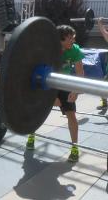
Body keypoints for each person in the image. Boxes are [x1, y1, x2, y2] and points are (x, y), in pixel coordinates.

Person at [25, 25, 84, 163]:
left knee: (71, 115)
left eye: (73, 38)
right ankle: (31, 135)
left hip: (65, 83)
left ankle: (75, 147)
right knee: (37, 111)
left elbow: (80, 72)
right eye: (70, 38)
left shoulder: (75, 50)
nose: (73, 41)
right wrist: (51, 97)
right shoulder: (48, 51)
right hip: (47, 82)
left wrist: (75, 91)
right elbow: (34, 71)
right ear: (60, 39)